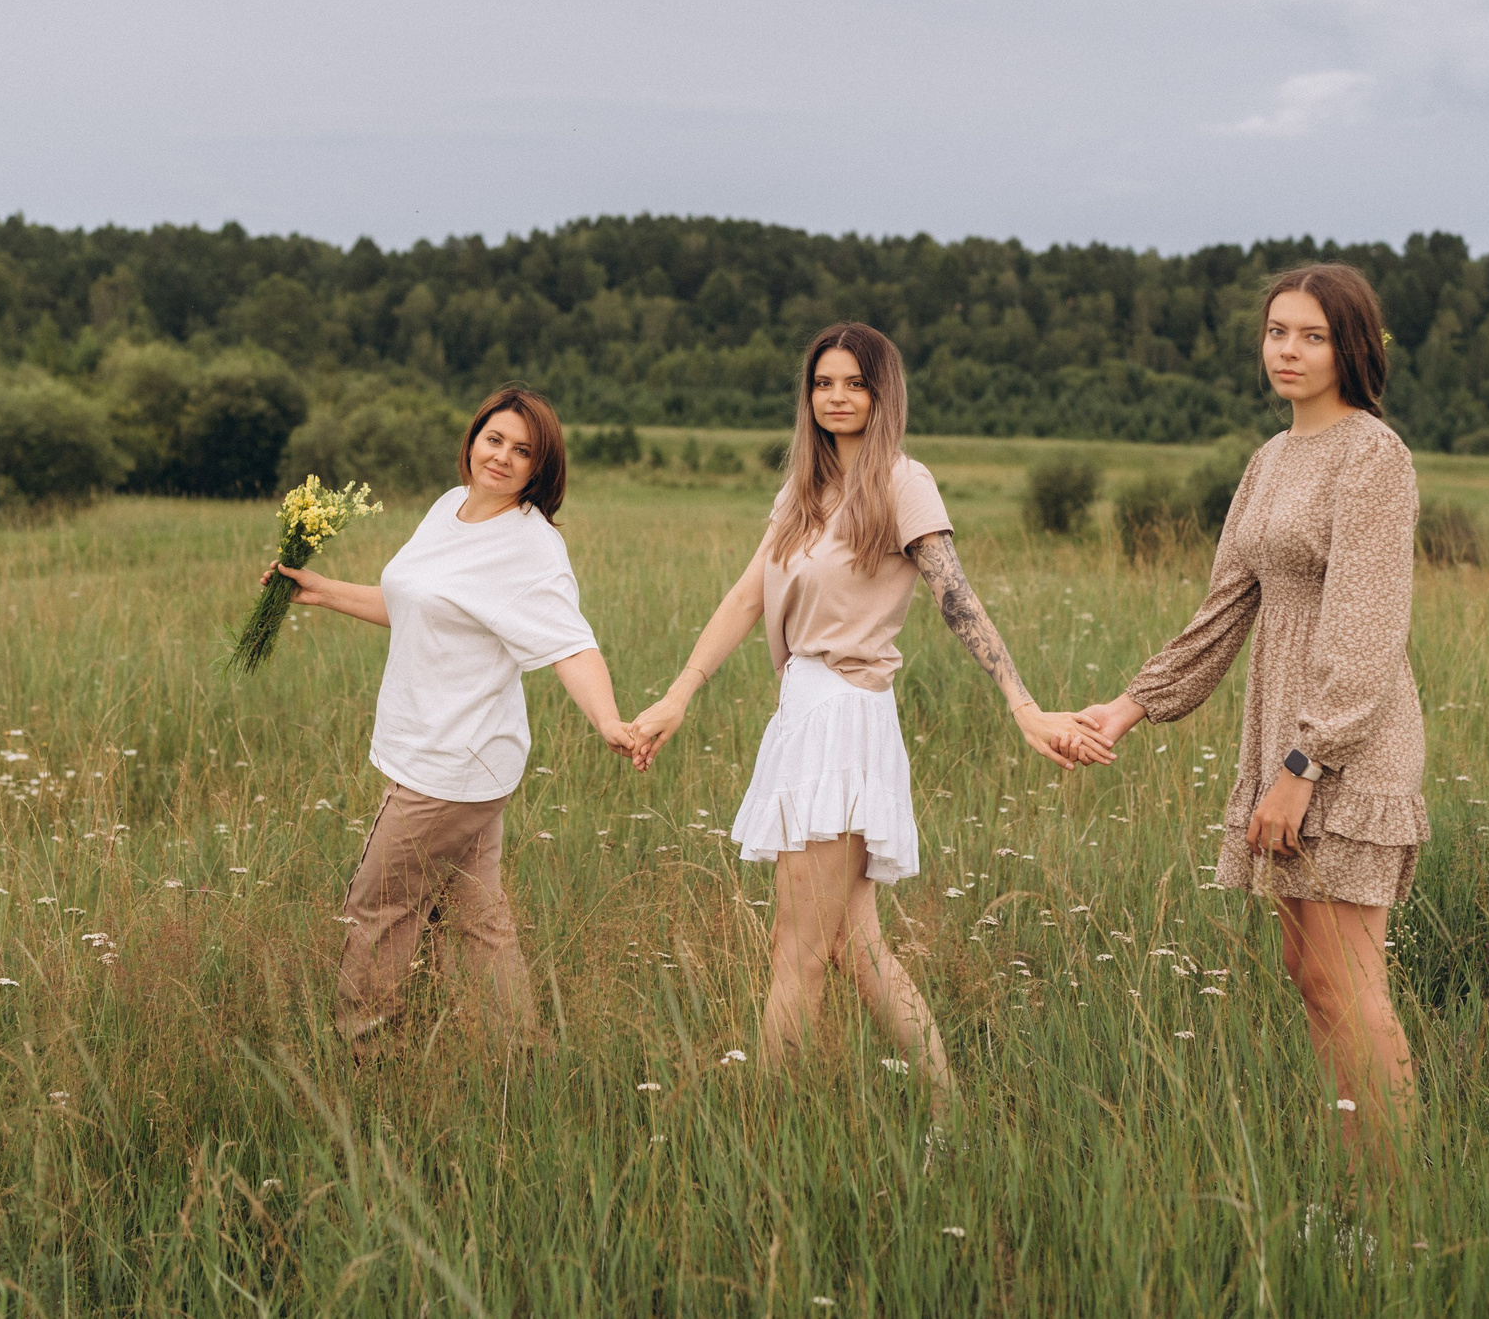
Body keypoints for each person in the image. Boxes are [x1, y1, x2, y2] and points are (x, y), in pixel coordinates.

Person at [629, 323, 1109, 1116]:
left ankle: (768, 1130)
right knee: (855, 943)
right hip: (803, 711)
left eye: (855, 383)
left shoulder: (901, 481)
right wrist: (679, 693)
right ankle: (950, 1111)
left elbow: (957, 596)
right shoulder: (802, 491)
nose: (837, 396)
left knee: (799, 950)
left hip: (844, 718)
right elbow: (748, 597)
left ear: (882, 394)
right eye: (824, 382)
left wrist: (1021, 703)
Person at [1074, 263, 1427, 1166]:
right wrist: (1129, 707)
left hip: (1344, 746)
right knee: (1310, 976)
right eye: (1278, 331)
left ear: (1351, 345)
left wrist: (1305, 766)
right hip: (1284, 740)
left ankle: (1391, 1204)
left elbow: (1367, 627)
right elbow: (1226, 607)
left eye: (1312, 334)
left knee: (1350, 982)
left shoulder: (1372, 456)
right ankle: (1356, 1180)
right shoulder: (1269, 460)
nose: (1290, 349)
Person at [266, 384, 641, 1045]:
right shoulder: (449, 508)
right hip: (446, 755)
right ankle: (515, 1058)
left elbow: (572, 642)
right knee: (476, 920)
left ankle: (366, 1053)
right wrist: (319, 590)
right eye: (494, 439)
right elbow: (409, 602)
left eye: (522, 451)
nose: (502, 457)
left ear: (539, 468)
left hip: (450, 764)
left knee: (377, 905)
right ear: (472, 441)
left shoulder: (529, 546)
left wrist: (608, 720)